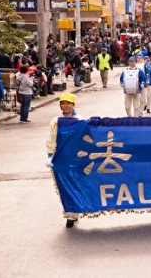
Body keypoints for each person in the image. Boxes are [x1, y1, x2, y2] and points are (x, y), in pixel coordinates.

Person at [45, 92, 85, 228]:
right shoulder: (56, 122)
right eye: (63, 103)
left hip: (76, 158)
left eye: (68, 103)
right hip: (61, 159)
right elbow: (50, 139)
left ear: (73, 105)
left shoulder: (80, 121)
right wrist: (50, 155)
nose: (65, 106)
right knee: (64, 186)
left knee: (75, 184)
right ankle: (69, 212)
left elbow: (85, 140)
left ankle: (74, 211)